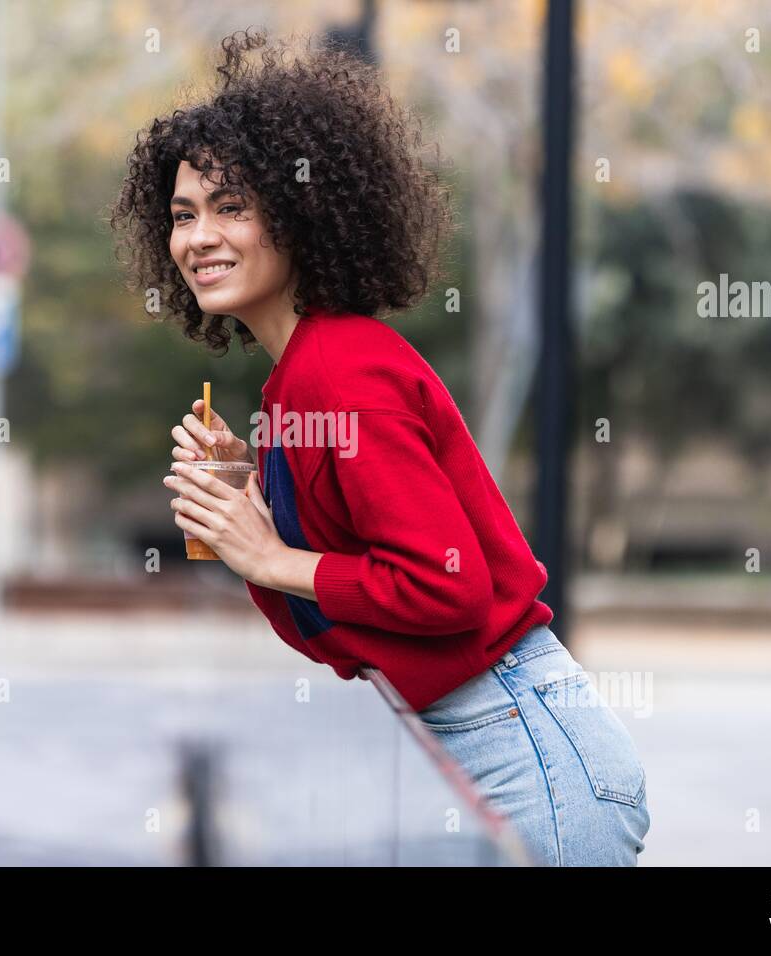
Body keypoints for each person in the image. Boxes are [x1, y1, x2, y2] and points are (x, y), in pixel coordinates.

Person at [109, 28, 649, 866]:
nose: (198, 238)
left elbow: (449, 587)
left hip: (528, 756)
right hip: (479, 743)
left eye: (231, 206)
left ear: (298, 213)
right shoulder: (297, 383)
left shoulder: (341, 370)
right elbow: (341, 629)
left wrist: (274, 556)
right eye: (183, 215)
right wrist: (249, 524)